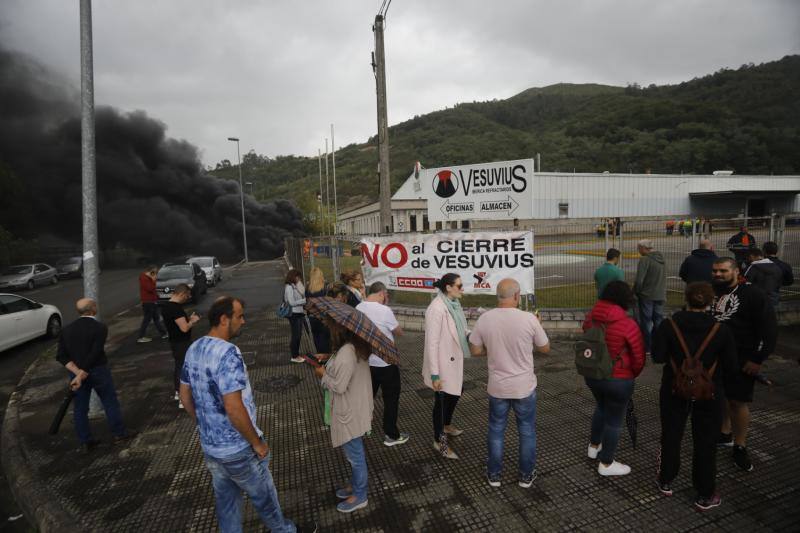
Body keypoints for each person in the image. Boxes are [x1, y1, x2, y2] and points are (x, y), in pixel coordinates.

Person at [179, 297, 314, 532]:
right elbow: (233, 407)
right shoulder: (229, 353)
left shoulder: (195, 347)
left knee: (227, 503)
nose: (244, 321)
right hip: (238, 449)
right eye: (239, 316)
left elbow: (184, 395)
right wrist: (257, 443)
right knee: (265, 499)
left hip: (211, 447)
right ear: (224, 319)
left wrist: (204, 424)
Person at [652, 282, 738, 511]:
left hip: (673, 388)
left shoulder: (668, 325)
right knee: (705, 442)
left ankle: (666, 480)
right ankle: (705, 493)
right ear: (711, 303)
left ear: (686, 298)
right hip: (709, 392)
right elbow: (731, 365)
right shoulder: (721, 330)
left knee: (671, 434)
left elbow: (658, 357)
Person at [469, 279, 550, 489]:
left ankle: (494, 475)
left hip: (497, 387)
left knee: (496, 430)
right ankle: (525, 476)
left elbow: (475, 350)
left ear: (498, 296)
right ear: (516, 296)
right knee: (527, 431)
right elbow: (545, 348)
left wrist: (492, 350)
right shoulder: (529, 319)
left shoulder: (485, 319)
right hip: (524, 387)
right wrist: (537, 326)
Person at [711, 258, 777, 472]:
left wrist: (757, 359)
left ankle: (740, 446)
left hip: (742, 359)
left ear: (736, 271)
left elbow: (768, 330)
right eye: (715, 271)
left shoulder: (753, 295)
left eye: (723, 271)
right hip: (714, 359)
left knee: (738, 402)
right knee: (720, 396)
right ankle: (724, 432)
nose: (718, 274)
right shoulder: (712, 291)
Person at [581, 281, 645, 476]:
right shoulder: (628, 324)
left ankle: (594, 446)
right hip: (619, 379)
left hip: (593, 375)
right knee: (614, 421)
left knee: (601, 406)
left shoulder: (591, 318)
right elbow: (639, 357)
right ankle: (606, 463)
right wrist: (631, 375)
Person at [56, 298, 136, 452]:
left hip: (76, 374)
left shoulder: (66, 330)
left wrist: (77, 374)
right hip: (98, 370)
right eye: (95, 305)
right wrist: (82, 374)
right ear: (93, 309)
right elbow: (95, 353)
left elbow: (61, 356)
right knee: (109, 401)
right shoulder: (99, 328)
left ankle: (85, 442)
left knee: (80, 408)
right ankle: (119, 434)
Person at [313, 317, 374, 513]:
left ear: (340, 330)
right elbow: (344, 368)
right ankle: (355, 485)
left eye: (332, 327)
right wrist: (329, 358)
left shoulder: (347, 352)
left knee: (355, 457)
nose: (329, 330)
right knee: (354, 454)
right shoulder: (352, 346)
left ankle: (360, 495)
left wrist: (323, 374)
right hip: (356, 407)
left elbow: (338, 385)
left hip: (350, 412)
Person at [356, 282, 409, 447]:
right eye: (385, 295)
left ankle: (360, 429)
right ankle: (391, 434)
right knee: (391, 399)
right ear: (381, 293)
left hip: (366, 362)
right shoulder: (385, 311)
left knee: (366, 397)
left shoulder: (358, 307)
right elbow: (398, 331)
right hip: (386, 362)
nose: (386, 298)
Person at [422, 273, 469, 459]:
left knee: (456, 391)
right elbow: (431, 343)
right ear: (448, 287)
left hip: (453, 360)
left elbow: (460, 329)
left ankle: (447, 425)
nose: (462, 289)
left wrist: (473, 336)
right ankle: (439, 442)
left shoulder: (454, 305)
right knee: (441, 403)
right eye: (459, 285)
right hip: (441, 365)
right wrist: (435, 375)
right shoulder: (437, 309)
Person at [160, 283, 200, 408]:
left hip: (174, 341)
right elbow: (184, 328)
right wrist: (192, 321)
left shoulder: (166, 306)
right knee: (184, 368)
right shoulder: (175, 308)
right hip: (182, 342)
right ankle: (184, 398)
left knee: (179, 366)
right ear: (182, 294)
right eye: (187, 296)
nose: (187, 299)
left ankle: (179, 392)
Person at [633, 239, 666, 354]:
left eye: (639, 248)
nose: (638, 251)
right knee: (658, 321)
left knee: (646, 322)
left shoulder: (645, 260)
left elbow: (639, 280)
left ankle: (648, 348)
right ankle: (660, 346)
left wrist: (635, 292)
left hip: (647, 295)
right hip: (660, 294)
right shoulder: (661, 258)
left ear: (644, 248)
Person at [137, 265, 167, 343]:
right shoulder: (144, 278)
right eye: (154, 272)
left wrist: (157, 297)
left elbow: (153, 291)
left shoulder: (148, 278)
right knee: (147, 320)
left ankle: (164, 333)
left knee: (156, 318)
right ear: (150, 271)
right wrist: (153, 280)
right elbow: (150, 289)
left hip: (152, 302)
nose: (156, 273)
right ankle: (141, 337)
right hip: (148, 302)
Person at [285, 269, 307, 364]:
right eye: (297, 276)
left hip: (299, 312)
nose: (299, 278)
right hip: (294, 314)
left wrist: (299, 283)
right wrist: (304, 301)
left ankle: (296, 354)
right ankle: (294, 356)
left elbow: (303, 292)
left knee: (298, 334)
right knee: (296, 335)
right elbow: (291, 302)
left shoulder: (295, 285)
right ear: (292, 277)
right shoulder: (289, 287)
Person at [305, 267, 330, 353]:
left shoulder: (308, 287)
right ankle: (326, 356)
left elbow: (306, 302)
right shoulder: (325, 286)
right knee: (325, 337)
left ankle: (319, 355)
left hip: (312, 317)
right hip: (323, 317)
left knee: (316, 337)